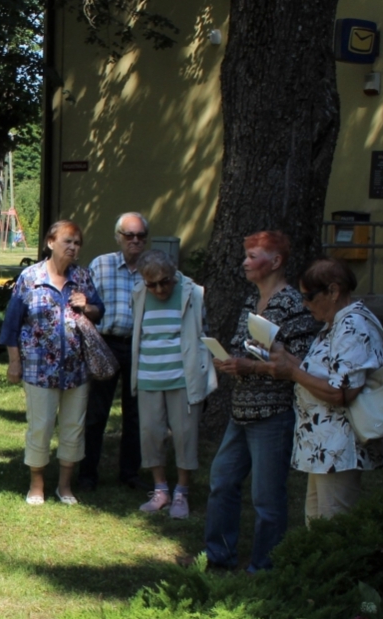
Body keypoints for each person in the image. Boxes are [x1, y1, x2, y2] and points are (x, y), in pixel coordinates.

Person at [204, 231, 319, 570]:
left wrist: (249, 366)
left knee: (266, 499)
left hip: (273, 414)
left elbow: (299, 364)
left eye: (253, 256)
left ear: (276, 262)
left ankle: (265, 567)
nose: (245, 262)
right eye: (247, 255)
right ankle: (219, 558)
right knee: (221, 483)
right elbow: (246, 348)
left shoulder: (293, 306)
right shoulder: (250, 303)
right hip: (241, 411)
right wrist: (228, 361)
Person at [268, 258, 383, 521]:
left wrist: (292, 372)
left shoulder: (351, 327)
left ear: (333, 291)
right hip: (324, 448)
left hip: (341, 449)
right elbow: (324, 372)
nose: (304, 304)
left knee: (332, 529)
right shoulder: (336, 323)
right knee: (317, 524)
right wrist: (285, 357)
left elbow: (341, 393)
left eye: (309, 296)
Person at [0, 220, 105, 506]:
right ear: (50, 242)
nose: (73, 247)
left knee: (73, 427)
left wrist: (89, 306)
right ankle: (36, 485)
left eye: (77, 243)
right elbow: (11, 325)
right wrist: (14, 363)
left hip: (77, 370)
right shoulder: (30, 278)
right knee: (40, 426)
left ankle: (65, 486)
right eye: (67, 241)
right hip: (38, 370)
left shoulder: (82, 277)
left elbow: (99, 312)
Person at [129, 250, 216, 519]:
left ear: (174, 273)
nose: (158, 289)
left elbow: (203, 333)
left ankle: (182, 493)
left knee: (184, 435)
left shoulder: (193, 292)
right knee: (151, 434)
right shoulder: (138, 293)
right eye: (151, 283)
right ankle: (160, 490)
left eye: (164, 282)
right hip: (148, 376)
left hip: (182, 377)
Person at [83, 212, 148, 491]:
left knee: (135, 414)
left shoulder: (152, 268)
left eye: (140, 236)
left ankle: (130, 472)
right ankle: (87, 474)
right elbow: (84, 302)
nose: (135, 241)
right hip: (105, 342)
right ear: (118, 238)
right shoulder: (101, 265)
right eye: (129, 235)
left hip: (139, 345)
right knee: (96, 412)